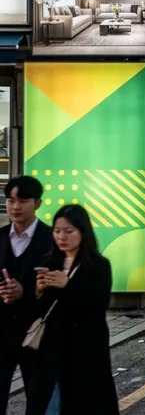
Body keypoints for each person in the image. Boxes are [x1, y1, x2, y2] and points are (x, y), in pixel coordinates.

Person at [25, 205, 119, 414]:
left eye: (69, 231)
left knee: (84, 404)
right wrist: (39, 291)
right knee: (48, 403)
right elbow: (37, 311)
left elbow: (97, 306)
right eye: (57, 231)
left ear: (82, 232)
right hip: (51, 349)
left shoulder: (98, 265)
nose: (62, 237)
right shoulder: (48, 262)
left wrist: (67, 285)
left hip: (85, 351)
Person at [0, 176, 54, 414]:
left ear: (38, 203)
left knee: (39, 399)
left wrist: (26, 292)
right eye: (11, 200)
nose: (15, 207)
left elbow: (60, 288)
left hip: (37, 332)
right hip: (1, 332)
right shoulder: (0, 237)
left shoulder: (53, 239)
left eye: (23, 200)